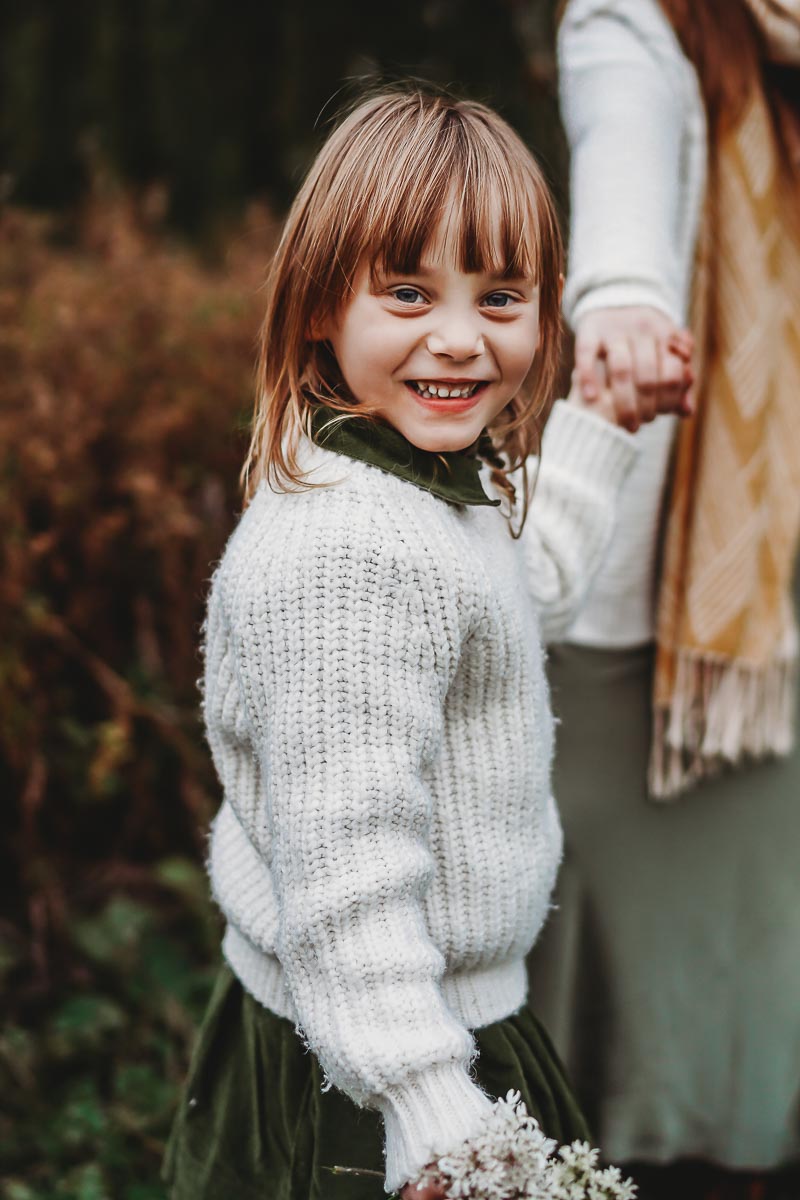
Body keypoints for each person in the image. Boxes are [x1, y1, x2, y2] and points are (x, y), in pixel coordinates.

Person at [159, 86, 680, 1200]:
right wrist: (423, 1102)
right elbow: (346, 875)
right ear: (316, 306)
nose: (458, 336)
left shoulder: (424, 487)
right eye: (406, 292)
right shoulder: (348, 553)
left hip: (433, 1017)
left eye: (500, 296)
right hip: (372, 1060)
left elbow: (511, 601)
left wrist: (596, 428)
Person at [528, 1, 800, 1194]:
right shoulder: (640, 15)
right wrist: (625, 301)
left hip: (778, 620)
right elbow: (621, 155)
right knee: (586, 1025)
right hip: (653, 624)